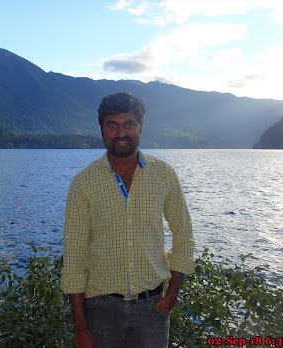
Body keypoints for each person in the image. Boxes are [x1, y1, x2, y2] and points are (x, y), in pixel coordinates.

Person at [61, 91, 195, 348]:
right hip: (101, 309)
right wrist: (81, 329)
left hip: (152, 309)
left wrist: (170, 298)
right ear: (102, 129)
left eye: (129, 124)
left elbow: (184, 236)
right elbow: (74, 258)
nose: (121, 133)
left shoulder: (164, 175)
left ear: (140, 128)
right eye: (112, 125)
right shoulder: (83, 184)